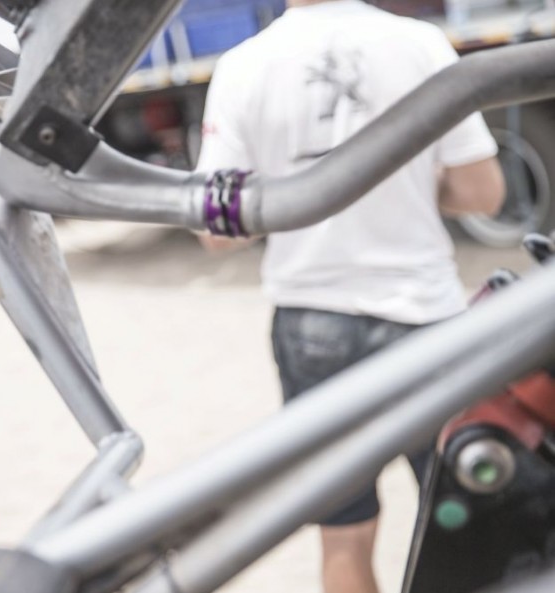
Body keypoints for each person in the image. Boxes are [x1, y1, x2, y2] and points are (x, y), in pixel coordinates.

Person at [194, 2, 505, 592]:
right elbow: (483, 192)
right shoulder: (420, 45)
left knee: (344, 537)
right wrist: (411, 188)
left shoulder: (243, 66)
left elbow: (216, 231)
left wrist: (296, 199)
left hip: (312, 323)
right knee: (470, 523)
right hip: (426, 317)